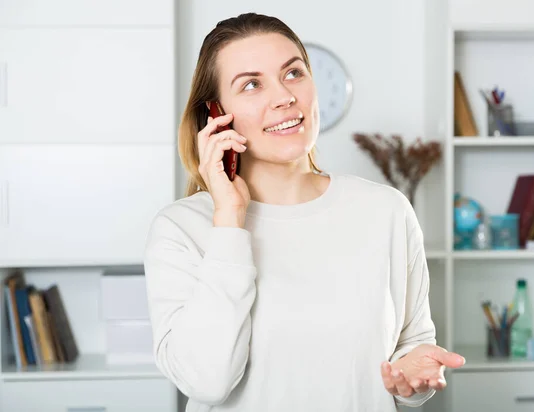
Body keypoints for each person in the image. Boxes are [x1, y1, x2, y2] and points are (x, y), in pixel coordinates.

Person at [143, 12, 465, 412]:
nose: (284, 96)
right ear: (215, 115)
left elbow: (412, 346)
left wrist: (413, 379)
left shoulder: (386, 211)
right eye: (251, 84)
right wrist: (229, 219)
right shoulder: (181, 229)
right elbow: (206, 382)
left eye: (293, 73)